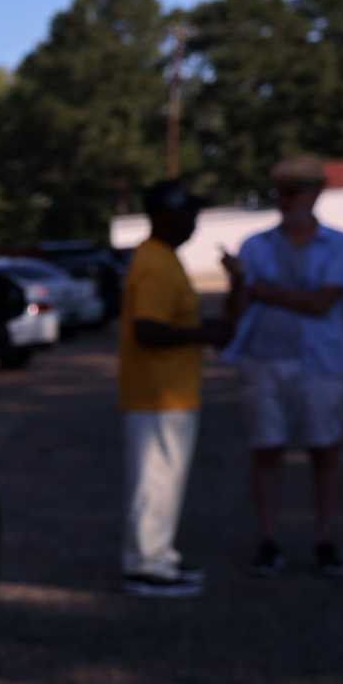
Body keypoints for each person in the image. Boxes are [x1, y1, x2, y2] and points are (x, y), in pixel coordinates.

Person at [221, 155, 343, 578]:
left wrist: (261, 288)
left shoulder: (340, 245)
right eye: (281, 192)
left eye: (295, 191)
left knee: (324, 449)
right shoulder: (255, 245)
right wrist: (238, 284)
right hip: (264, 358)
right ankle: (268, 539)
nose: (286, 200)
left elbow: (321, 304)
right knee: (267, 449)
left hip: (322, 362)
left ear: (316, 193)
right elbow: (237, 310)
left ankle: (324, 538)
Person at [119, 178, 230, 597]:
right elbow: (147, 328)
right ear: (166, 215)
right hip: (156, 394)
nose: (194, 223)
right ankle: (146, 566)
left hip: (170, 392)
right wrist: (202, 335)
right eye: (189, 214)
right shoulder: (154, 262)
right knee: (154, 482)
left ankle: (160, 558)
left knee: (164, 481)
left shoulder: (163, 257)